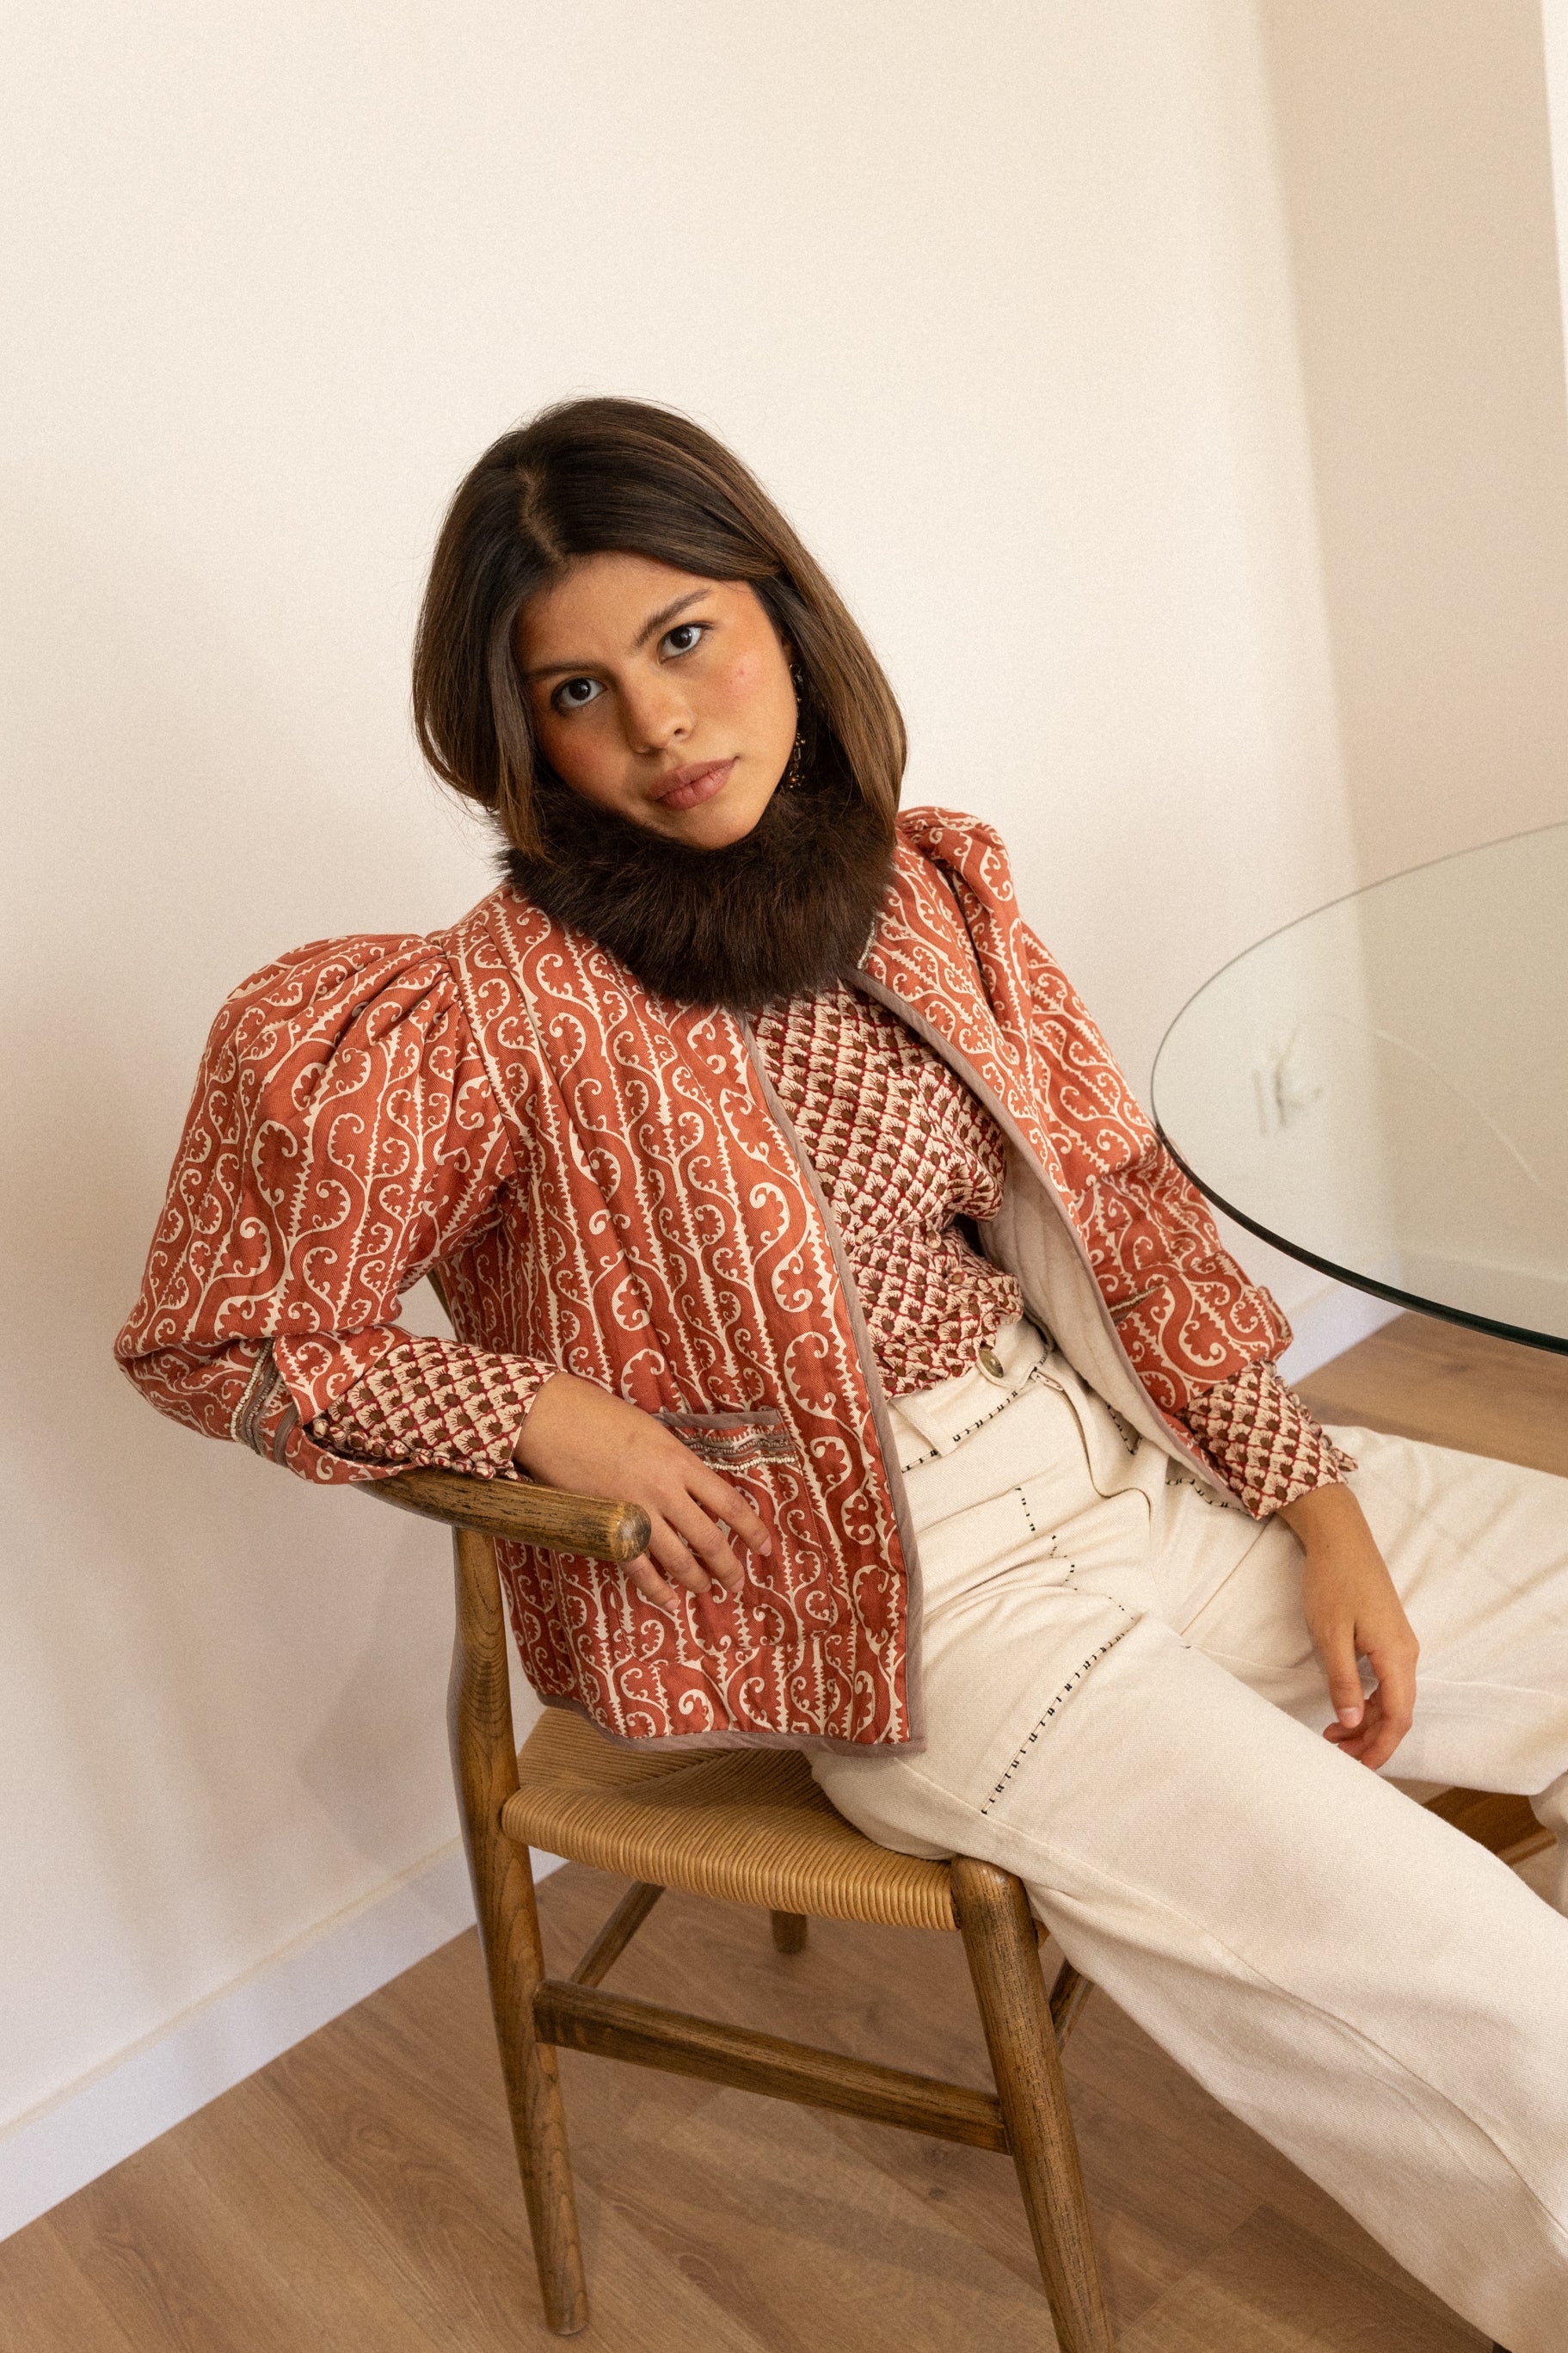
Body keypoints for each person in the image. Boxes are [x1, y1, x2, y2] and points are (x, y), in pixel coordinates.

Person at [116, 397, 1565, 2350]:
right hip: (908, 1612)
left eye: (686, 637)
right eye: (578, 691)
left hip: (1121, 1463)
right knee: (1469, 1971)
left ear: (781, 614)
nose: (659, 724)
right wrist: (538, 1411)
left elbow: (1121, 1211)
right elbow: (219, 1332)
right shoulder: (465, 1018)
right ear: (518, 736)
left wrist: (1316, 1504)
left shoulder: (923, 889)